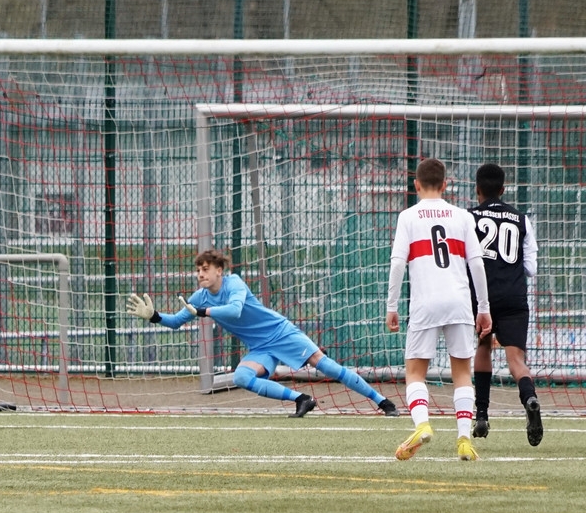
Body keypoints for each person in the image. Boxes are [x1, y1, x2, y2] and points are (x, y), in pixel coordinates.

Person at [127, 248, 399, 417]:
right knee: (242, 377)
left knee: (325, 366)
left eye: (205, 269)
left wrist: (203, 312)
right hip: (260, 348)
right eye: (198, 270)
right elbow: (176, 321)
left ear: (219, 271)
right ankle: (302, 399)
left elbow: (234, 310)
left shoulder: (234, 283)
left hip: (280, 332)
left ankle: (383, 402)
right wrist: (154, 316)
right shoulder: (200, 297)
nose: (200, 274)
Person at [386, 158, 490, 461]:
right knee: (462, 373)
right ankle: (464, 441)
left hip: (425, 303)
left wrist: (392, 305)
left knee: (415, 372)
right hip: (459, 301)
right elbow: (477, 264)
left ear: (416, 185)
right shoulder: (462, 216)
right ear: (445, 185)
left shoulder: (408, 217)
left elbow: (397, 264)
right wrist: (483, 307)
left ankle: (422, 425)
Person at [468, 163, 542, 446]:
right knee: (516, 361)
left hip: (482, 297)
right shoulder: (522, 220)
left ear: (477, 189)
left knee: (483, 347)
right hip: (513, 297)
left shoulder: (469, 218)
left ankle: (482, 414)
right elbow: (531, 269)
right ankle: (530, 398)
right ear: (503, 190)